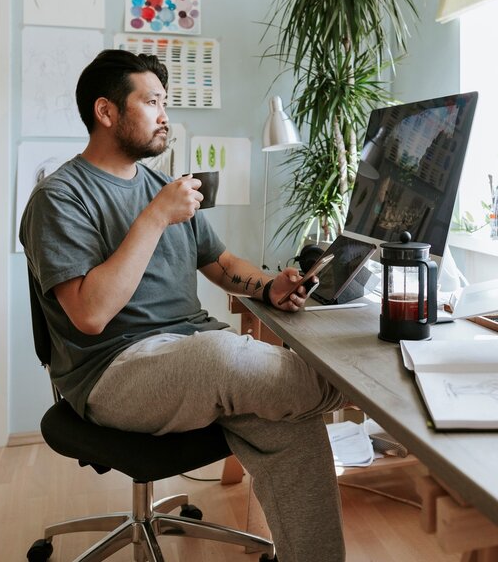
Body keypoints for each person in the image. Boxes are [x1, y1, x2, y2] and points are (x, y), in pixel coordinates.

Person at [19, 50, 347, 562]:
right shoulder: (60, 198)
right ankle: (361, 390)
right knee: (225, 355)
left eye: (166, 102)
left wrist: (270, 286)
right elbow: (89, 314)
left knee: (289, 422)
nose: (165, 115)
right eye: (151, 102)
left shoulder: (162, 188)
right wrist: (153, 218)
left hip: (194, 354)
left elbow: (221, 262)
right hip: (113, 371)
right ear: (106, 112)